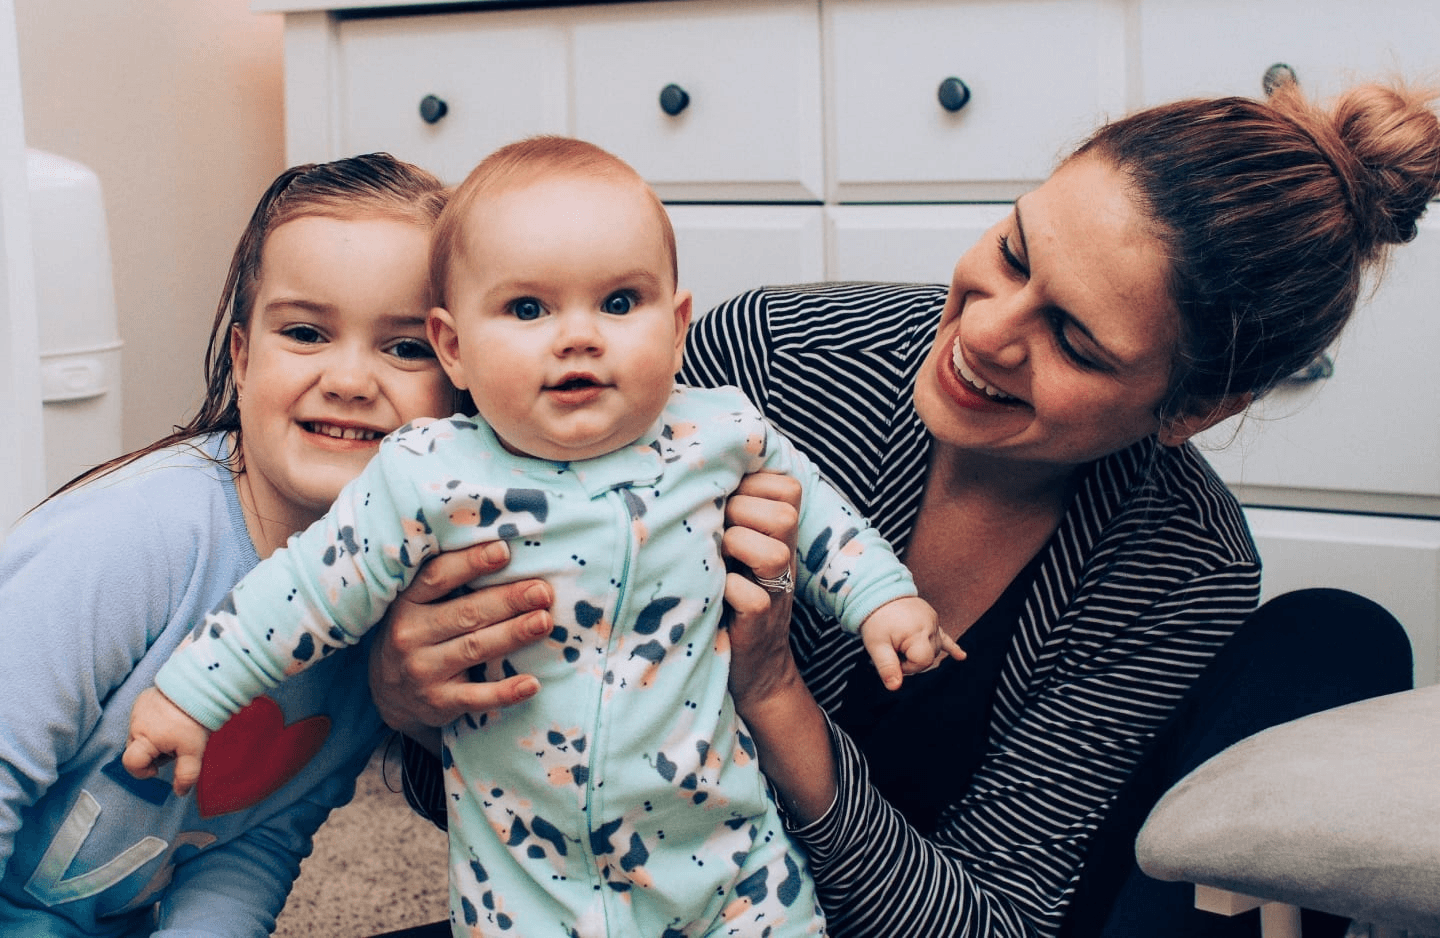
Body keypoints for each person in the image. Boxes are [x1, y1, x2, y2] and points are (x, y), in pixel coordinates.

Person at [373, 80, 1440, 938]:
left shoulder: (1179, 563)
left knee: (1338, 638)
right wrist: (411, 695)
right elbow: (510, 788)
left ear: (1196, 409)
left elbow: (994, 918)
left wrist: (775, 692)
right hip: (642, 901)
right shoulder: (769, 367)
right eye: (1013, 253)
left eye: (1072, 339)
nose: (984, 330)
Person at [124, 137, 958, 938]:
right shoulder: (430, 473)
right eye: (528, 308)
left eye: (619, 303)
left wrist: (884, 603)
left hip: (724, 859)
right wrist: (192, 694)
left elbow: (820, 514)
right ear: (453, 347)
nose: (579, 334)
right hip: (528, 878)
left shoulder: (718, 433)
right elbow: (306, 589)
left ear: (677, 326)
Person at [0, 153, 466, 937]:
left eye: (405, 347)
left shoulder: (386, 604)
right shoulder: (135, 537)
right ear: (244, 360)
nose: (350, 379)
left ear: (459, 378)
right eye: (307, 333)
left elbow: (257, 838)